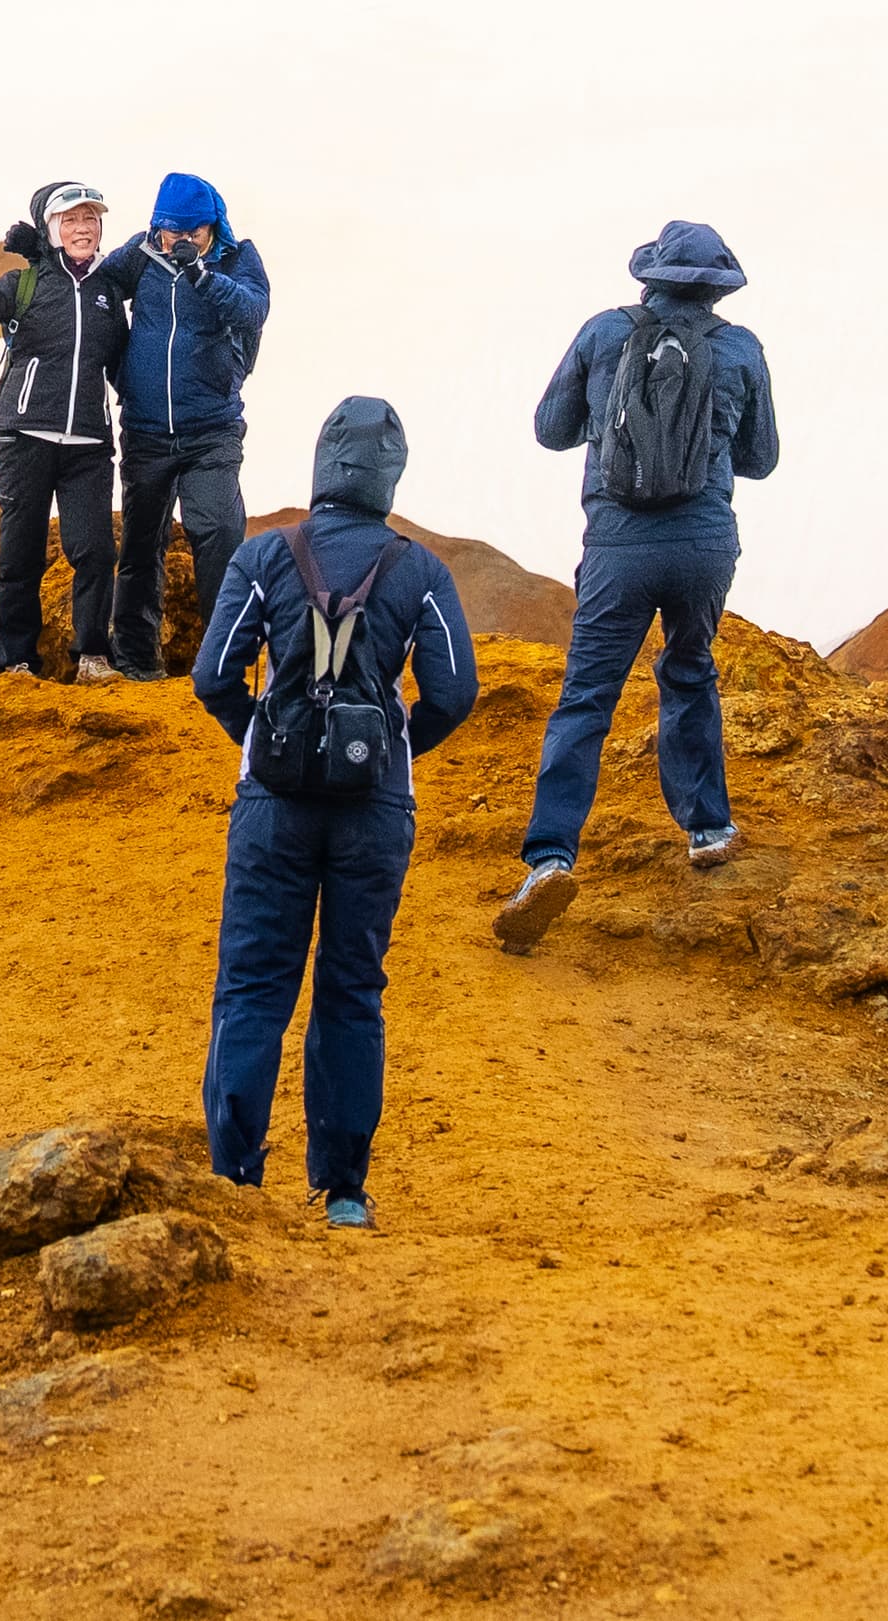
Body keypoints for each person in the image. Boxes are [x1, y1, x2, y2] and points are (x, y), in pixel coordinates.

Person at [190, 396, 477, 1228]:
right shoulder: (420, 570)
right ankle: (344, 1191)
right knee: (352, 991)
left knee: (251, 988)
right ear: (389, 476)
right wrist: (395, 750)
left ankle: (235, 1179)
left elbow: (213, 676)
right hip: (374, 811)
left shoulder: (264, 557)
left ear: (322, 466)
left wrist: (259, 736)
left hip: (272, 807)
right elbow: (455, 692)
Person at [492, 220, 781, 954]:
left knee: (587, 697)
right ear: (719, 288)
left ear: (648, 274)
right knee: (689, 670)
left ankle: (550, 857)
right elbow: (761, 458)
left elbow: (551, 430)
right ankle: (708, 827)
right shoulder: (740, 348)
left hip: (619, 547)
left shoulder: (602, 333)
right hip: (704, 547)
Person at [0, 180, 130, 679]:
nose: (83, 228)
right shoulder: (27, 282)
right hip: (25, 437)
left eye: (91, 219)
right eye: (71, 219)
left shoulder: (108, 291)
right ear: (50, 228)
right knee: (20, 553)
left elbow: (123, 363)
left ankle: (92, 656)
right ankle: (15, 660)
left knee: (96, 551)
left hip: (87, 442)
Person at [100, 172, 270, 681]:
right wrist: (121, 371)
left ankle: (226, 661)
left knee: (217, 532)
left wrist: (201, 274)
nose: (177, 240)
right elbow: (97, 288)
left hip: (212, 428)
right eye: (169, 230)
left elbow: (254, 310)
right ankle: (135, 660)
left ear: (210, 226)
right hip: (147, 429)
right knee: (140, 543)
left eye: (190, 231)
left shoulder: (237, 259)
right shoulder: (141, 253)